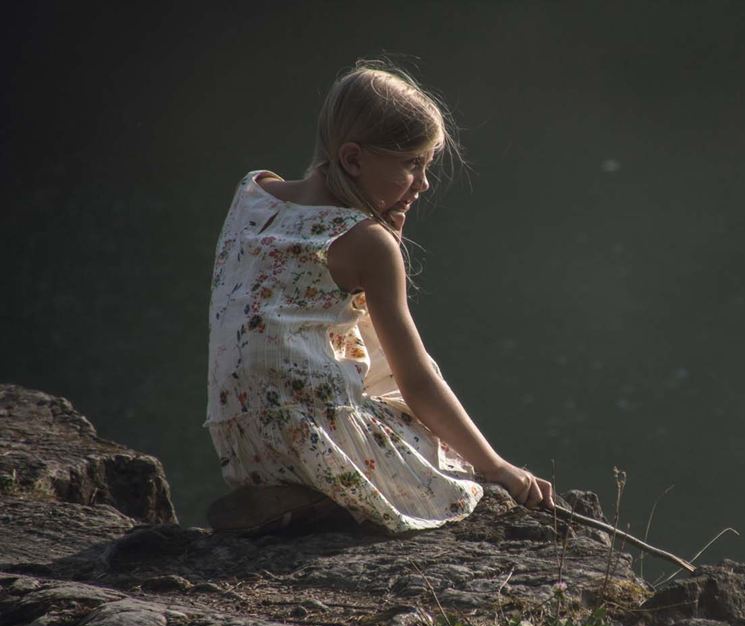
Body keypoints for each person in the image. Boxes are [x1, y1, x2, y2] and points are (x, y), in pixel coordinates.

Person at [204, 60, 554, 534]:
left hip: (241, 436)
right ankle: (325, 499)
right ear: (353, 159)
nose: (424, 183)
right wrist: (496, 468)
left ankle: (289, 493)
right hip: (316, 433)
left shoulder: (254, 193)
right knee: (450, 464)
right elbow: (415, 380)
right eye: (412, 164)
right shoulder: (366, 242)